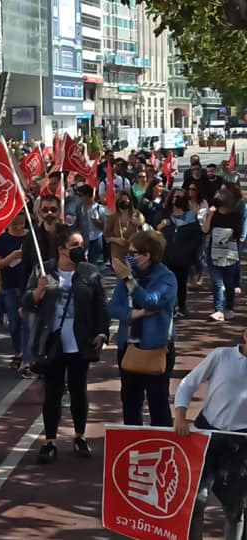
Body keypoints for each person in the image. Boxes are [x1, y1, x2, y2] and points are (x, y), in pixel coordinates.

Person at [24, 228, 109, 463]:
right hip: (52, 341)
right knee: (52, 392)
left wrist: (101, 334)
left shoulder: (90, 273)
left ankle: (80, 437)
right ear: (61, 248)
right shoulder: (47, 271)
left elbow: (101, 306)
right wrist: (39, 289)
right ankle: (49, 441)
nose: (80, 249)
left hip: (80, 341)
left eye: (82, 243)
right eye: (74, 245)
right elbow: (27, 303)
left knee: (78, 390)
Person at [175, 327, 247, 540]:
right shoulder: (222, 355)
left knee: (236, 507)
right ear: (245, 334)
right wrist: (180, 415)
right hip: (207, 434)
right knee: (196, 500)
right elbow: (188, 383)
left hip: (241, 443)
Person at [110, 230, 177, 427]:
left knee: (158, 403)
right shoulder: (127, 277)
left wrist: (129, 280)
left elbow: (151, 301)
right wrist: (133, 314)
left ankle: (162, 447)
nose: (127, 257)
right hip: (128, 348)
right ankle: (133, 449)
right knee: (130, 403)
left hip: (155, 348)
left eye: (132, 253)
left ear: (147, 255)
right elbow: (113, 307)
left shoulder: (166, 278)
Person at [0, 214, 29, 373]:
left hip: (29, 286)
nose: (18, 227)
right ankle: (18, 351)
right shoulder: (2, 240)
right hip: (10, 287)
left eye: (21, 223)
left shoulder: (31, 238)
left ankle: (27, 357)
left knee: (29, 323)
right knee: (15, 325)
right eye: (14, 224)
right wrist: (11, 257)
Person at [158, 189, 202, 318]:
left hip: (183, 258)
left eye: (181, 197)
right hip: (166, 257)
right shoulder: (164, 215)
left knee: (181, 283)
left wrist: (190, 253)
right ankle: (168, 307)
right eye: (175, 196)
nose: (177, 199)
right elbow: (153, 233)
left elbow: (197, 237)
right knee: (166, 283)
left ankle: (181, 306)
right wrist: (160, 227)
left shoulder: (191, 217)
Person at [203, 185, 243, 321]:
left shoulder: (236, 214)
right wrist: (210, 215)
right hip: (213, 251)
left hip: (230, 252)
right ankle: (218, 310)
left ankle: (229, 308)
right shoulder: (213, 212)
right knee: (217, 282)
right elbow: (205, 230)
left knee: (229, 282)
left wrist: (224, 235)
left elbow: (238, 234)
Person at [21, 194, 67, 285]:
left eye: (53, 210)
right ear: (40, 212)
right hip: (40, 286)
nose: (49, 213)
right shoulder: (31, 237)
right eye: (45, 210)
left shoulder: (69, 234)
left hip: (65, 285)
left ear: (59, 211)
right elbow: (25, 268)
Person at [103, 190, 145, 263]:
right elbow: (106, 235)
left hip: (133, 253)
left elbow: (144, 232)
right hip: (118, 254)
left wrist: (139, 223)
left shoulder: (137, 215)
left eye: (126, 200)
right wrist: (117, 240)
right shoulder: (112, 217)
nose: (124, 202)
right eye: (122, 200)